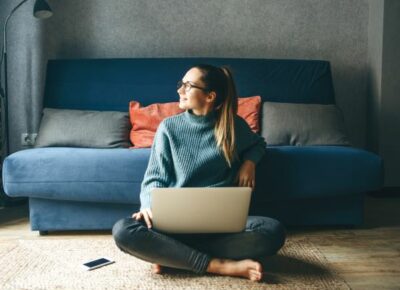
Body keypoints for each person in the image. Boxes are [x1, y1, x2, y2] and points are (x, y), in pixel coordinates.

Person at [112, 64, 286, 282]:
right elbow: (154, 176)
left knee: (272, 231)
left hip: (221, 227)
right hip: (174, 226)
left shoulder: (233, 127)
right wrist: (147, 205)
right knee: (123, 230)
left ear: (210, 96)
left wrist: (249, 163)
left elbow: (258, 144)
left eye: (188, 85)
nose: (179, 90)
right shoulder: (169, 128)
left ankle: (174, 255)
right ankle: (218, 265)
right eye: (181, 84)